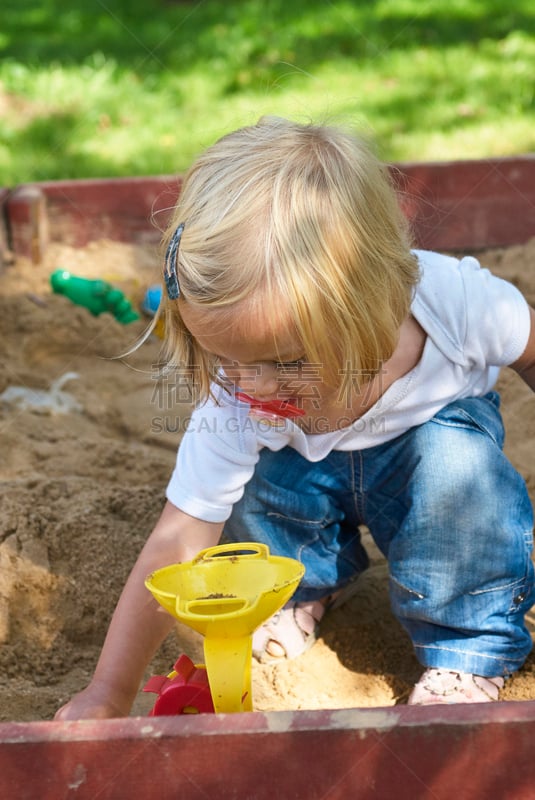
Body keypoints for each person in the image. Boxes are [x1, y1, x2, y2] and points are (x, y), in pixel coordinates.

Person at [55, 116, 535, 719]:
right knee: (248, 491)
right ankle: (303, 582)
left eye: (285, 360)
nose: (252, 384)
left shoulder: (461, 305)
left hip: (431, 458)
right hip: (308, 476)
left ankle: (468, 647)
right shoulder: (241, 393)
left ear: (374, 307)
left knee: (456, 475)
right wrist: (108, 692)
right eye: (226, 358)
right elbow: (179, 537)